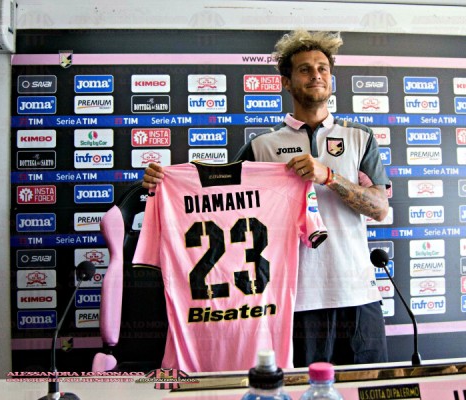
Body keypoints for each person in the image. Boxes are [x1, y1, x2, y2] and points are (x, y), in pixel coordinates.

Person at [143, 29, 390, 367]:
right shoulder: (262, 146)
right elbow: (217, 199)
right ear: (286, 82)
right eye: (304, 69)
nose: (316, 75)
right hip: (291, 302)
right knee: (298, 390)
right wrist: (166, 183)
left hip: (357, 295)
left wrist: (329, 177)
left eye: (322, 68)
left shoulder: (360, 137)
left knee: (363, 388)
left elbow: (379, 208)